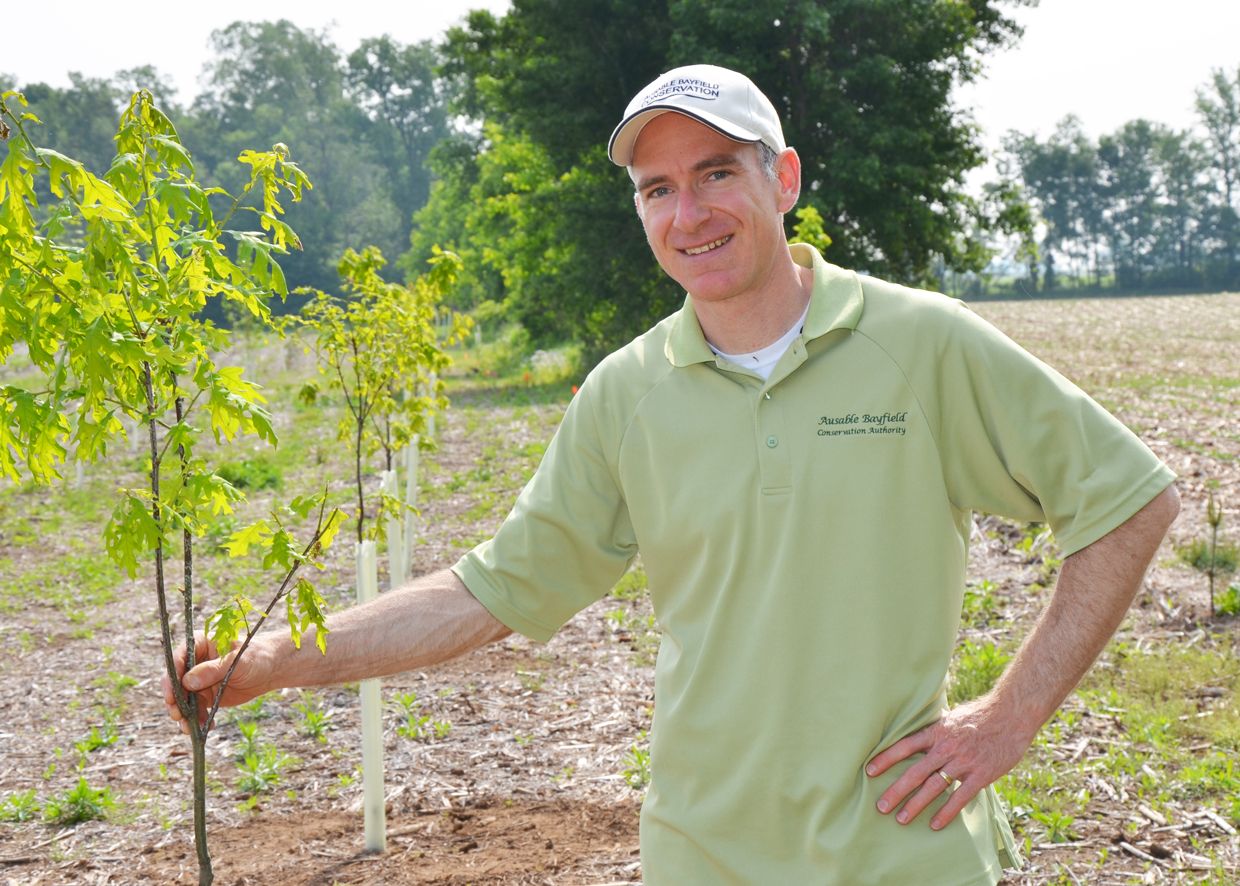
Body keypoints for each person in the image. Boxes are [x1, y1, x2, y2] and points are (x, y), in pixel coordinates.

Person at [165, 64, 1180, 884]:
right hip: (703, 852)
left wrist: (1008, 719)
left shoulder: (920, 345)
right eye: (658, 189)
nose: (687, 211)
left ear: (781, 180)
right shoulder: (628, 393)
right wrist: (275, 660)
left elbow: (1128, 502)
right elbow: (489, 589)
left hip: (897, 846)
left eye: (715, 173)